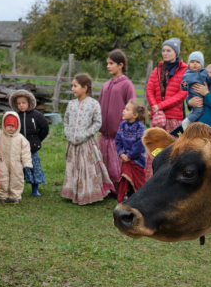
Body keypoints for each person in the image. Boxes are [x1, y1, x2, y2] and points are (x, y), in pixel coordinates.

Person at [61, 73, 114, 205]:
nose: (72, 89)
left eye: (75, 86)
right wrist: (68, 133)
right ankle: (73, 192)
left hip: (86, 143)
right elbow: (66, 120)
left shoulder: (93, 104)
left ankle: (87, 193)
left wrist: (84, 135)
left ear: (84, 88)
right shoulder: (71, 104)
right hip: (72, 144)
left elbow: (97, 123)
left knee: (86, 168)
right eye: (72, 86)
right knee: (73, 166)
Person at [145, 37, 188, 177]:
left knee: (171, 151)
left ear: (176, 52)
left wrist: (160, 106)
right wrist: (154, 107)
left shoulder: (185, 70)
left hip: (173, 118)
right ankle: (151, 180)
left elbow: (182, 94)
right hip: (158, 119)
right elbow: (149, 89)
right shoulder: (157, 70)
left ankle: (169, 181)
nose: (165, 53)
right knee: (154, 150)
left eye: (168, 50)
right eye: (163, 50)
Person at [98, 49, 137, 193]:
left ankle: (120, 190)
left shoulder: (127, 85)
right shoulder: (105, 85)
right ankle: (105, 188)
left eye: (111, 63)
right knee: (103, 164)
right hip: (104, 136)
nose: (108, 66)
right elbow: (99, 105)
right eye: (107, 63)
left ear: (121, 65)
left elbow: (132, 108)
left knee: (118, 166)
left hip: (119, 135)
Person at [8, 88, 49, 197]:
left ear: (29, 102)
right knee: (17, 169)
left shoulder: (37, 115)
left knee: (35, 167)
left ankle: (35, 189)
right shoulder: (15, 116)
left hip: (32, 148)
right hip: (18, 148)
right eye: (19, 103)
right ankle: (17, 188)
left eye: (23, 103)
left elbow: (44, 128)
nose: (21, 105)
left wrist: (37, 140)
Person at [0, 112, 33, 204]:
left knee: (17, 179)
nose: (11, 128)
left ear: (18, 126)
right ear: (4, 124)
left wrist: (27, 162)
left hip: (16, 162)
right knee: (1, 178)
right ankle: (1, 196)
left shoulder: (21, 138)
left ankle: (15, 196)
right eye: (8, 125)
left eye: (13, 126)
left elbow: (25, 152)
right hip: (1, 161)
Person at [172, 51, 211, 136]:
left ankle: (191, 124)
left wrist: (210, 76)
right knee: (198, 110)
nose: (195, 64)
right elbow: (184, 86)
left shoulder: (204, 72)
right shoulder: (188, 74)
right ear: (189, 64)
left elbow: (210, 81)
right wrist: (184, 85)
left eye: (198, 62)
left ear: (202, 64)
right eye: (192, 62)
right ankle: (187, 122)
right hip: (195, 96)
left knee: (196, 112)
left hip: (204, 96)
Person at [115, 101, 147, 202]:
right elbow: (118, 141)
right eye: (125, 109)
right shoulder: (122, 125)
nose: (123, 111)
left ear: (135, 115)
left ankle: (141, 200)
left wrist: (130, 155)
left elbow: (139, 144)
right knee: (126, 180)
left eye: (127, 109)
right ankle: (128, 199)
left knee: (138, 183)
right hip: (126, 160)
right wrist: (121, 153)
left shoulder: (140, 127)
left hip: (137, 161)